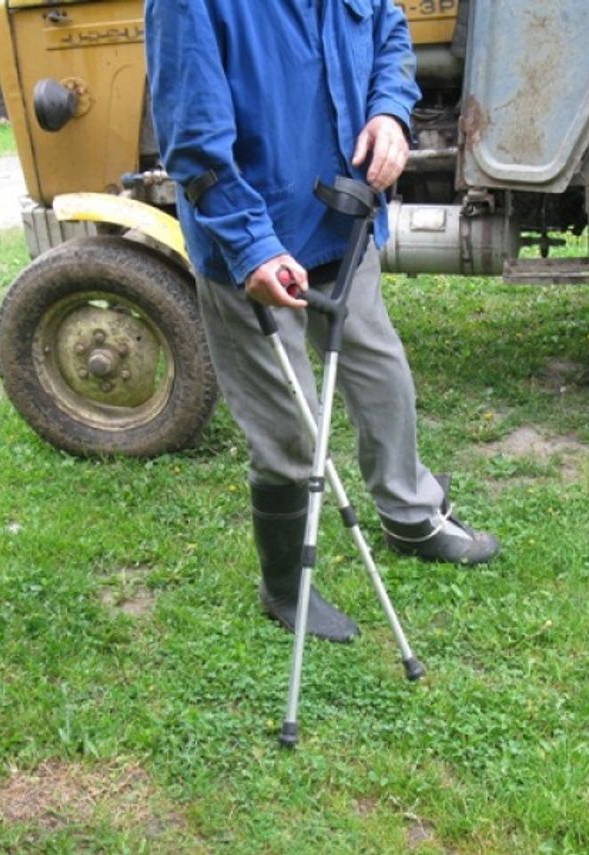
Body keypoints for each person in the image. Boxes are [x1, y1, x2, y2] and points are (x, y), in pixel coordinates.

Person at [145, 0, 499, 643]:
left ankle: (410, 514)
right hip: (253, 247)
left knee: (382, 373)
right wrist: (252, 247)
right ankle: (284, 588)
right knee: (291, 431)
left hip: (344, 218)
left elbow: (389, 30)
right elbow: (192, 145)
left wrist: (391, 113)